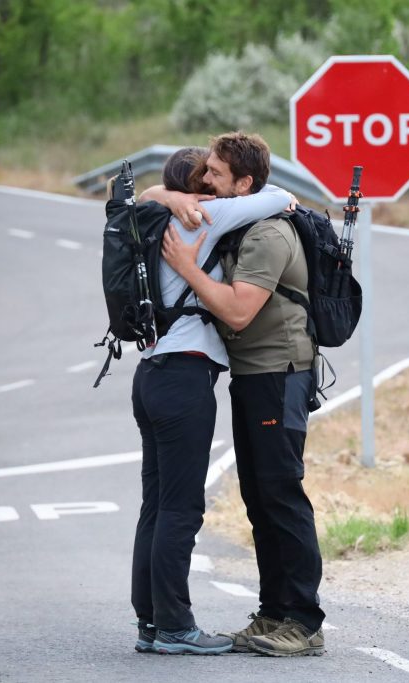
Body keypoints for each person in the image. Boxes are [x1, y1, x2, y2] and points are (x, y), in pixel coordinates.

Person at [156, 131, 326, 657]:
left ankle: (304, 620)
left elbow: (236, 311)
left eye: (214, 174)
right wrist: (171, 195)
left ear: (244, 183)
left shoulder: (269, 235)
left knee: (281, 494)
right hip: (254, 376)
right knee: (259, 496)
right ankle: (273, 612)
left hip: (279, 373)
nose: (204, 180)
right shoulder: (246, 221)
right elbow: (145, 196)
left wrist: (185, 268)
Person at [126, 145, 295, 655]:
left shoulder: (147, 218)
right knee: (181, 509)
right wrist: (186, 197)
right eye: (205, 174)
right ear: (192, 187)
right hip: (184, 376)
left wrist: (161, 192)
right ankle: (177, 627)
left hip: (150, 372)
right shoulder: (203, 215)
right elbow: (281, 195)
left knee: (154, 507)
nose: (209, 181)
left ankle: (150, 624)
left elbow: (138, 197)